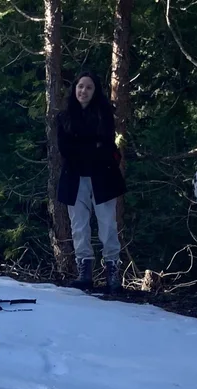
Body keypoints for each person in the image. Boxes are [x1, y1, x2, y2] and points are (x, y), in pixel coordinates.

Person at [57, 71, 127, 291]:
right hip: (75, 177)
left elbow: (105, 146)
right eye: (80, 86)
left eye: (88, 87)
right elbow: (65, 149)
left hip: (103, 177)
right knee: (79, 226)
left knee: (107, 226)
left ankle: (112, 273)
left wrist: (86, 148)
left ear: (95, 91)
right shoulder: (64, 116)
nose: (83, 91)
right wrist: (91, 147)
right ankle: (84, 272)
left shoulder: (104, 114)